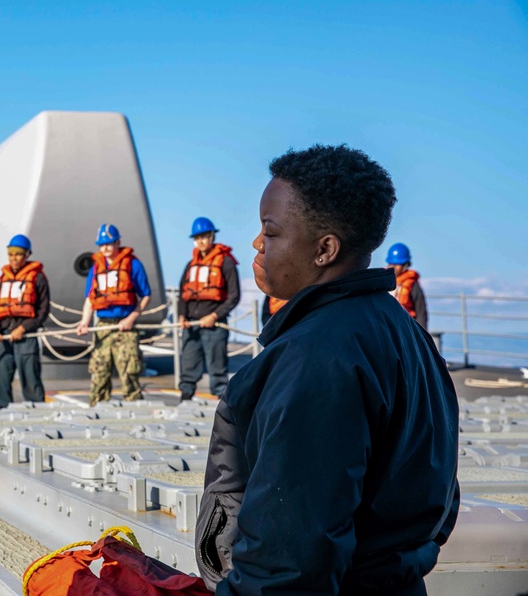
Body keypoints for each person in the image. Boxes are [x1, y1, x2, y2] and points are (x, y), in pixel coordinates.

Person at [196, 145, 459, 595]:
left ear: (325, 249)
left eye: (271, 231)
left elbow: (288, 562)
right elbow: (440, 501)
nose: (259, 244)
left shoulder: (315, 356)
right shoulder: (402, 333)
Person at [76, 224, 150, 406]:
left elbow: (145, 295)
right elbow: (90, 299)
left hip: (126, 327)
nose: (105, 248)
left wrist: (131, 318)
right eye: (102, 245)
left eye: (109, 244)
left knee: (129, 373)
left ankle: (136, 411)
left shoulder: (133, 265)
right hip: (103, 327)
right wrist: (84, 322)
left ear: (118, 242)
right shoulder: (96, 268)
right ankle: (97, 410)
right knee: (99, 372)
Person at [177, 217, 240, 399]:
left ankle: (222, 409)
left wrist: (214, 315)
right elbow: (183, 294)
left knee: (217, 368)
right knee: (188, 365)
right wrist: (182, 316)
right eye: (197, 238)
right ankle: (185, 398)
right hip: (191, 326)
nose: (201, 241)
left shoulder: (225, 263)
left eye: (205, 236)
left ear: (212, 236)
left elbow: (234, 296)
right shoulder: (190, 266)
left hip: (215, 326)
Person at [0, 234, 51, 408]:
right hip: (3, 336)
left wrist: (23, 328)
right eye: (11, 254)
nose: (14, 258)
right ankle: (2, 410)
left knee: (30, 376)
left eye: (18, 254)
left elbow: (42, 310)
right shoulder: (1, 281)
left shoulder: (38, 278)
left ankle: (36, 410)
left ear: (27, 255)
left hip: (26, 336)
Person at [386, 242, 428, 330]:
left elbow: (421, 312)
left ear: (406, 265)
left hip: (406, 328)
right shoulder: (382, 283)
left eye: (397, 265)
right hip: (386, 327)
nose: (393, 268)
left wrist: (422, 334)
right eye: (391, 264)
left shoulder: (413, 285)